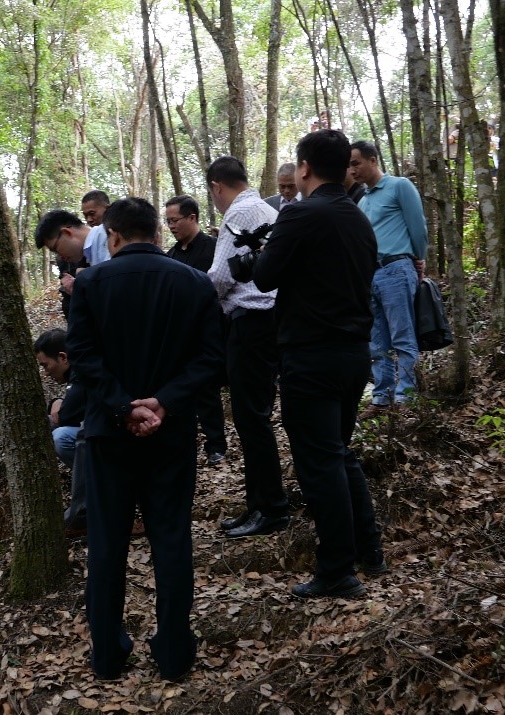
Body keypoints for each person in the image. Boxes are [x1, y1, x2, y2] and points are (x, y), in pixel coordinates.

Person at [66, 196, 223, 682]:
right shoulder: (194, 282)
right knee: (171, 538)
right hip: (170, 433)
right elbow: (212, 358)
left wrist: (122, 406)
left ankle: (107, 656)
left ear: (112, 236)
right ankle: (174, 653)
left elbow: (82, 357)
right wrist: (164, 402)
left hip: (107, 434)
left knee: (107, 543)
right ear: (156, 233)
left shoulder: (90, 283)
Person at [253, 129, 388, 599]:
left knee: (319, 462)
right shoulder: (358, 218)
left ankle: (337, 570)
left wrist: (260, 255)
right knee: (337, 453)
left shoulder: (300, 213)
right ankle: (369, 552)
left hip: (311, 355)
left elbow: (264, 276)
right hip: (353, 355)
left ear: (305, 168)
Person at [206, 156, 288, 538]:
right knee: (254, 416)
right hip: (268, 324)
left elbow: (220, 277)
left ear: (217, 187)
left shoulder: (239, 212)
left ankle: (271, 508)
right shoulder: (267, 209)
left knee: (252, 419)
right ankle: (258, 504)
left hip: (251, 323)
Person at [349, 140, 427, 412]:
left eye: (356, 163)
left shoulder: (399, 186)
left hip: (396, 268)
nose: (352, 170)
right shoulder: (363, 200)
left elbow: (418, 226)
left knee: (402, 335)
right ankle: (381, 397)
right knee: (377, 341)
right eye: (349, 166)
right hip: (371, 275)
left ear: (373, 160)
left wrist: (419, 258)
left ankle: (406, 397)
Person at [164, 195, 227, 464]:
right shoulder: (171, 256)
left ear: (192, 217)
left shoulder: (214, 248)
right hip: (179, 334)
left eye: (175, 220)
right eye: (167, 221)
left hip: (211, 330)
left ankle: (216, 445)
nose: (171, 226)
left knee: (207, 389)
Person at [34, 328, 88, 533]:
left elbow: (65, 416)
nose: (46, 372)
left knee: (61, 437)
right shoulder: (76, 373)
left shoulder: (82, 371)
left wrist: (58, 405)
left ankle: (84, 510)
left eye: (45, 365)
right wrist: (57, 402)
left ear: (63, 357)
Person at [34, 209, 111, 300]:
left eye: (55, 249)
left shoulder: (107, 238)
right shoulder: (91, 252)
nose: (60, 256)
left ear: (66, 233)